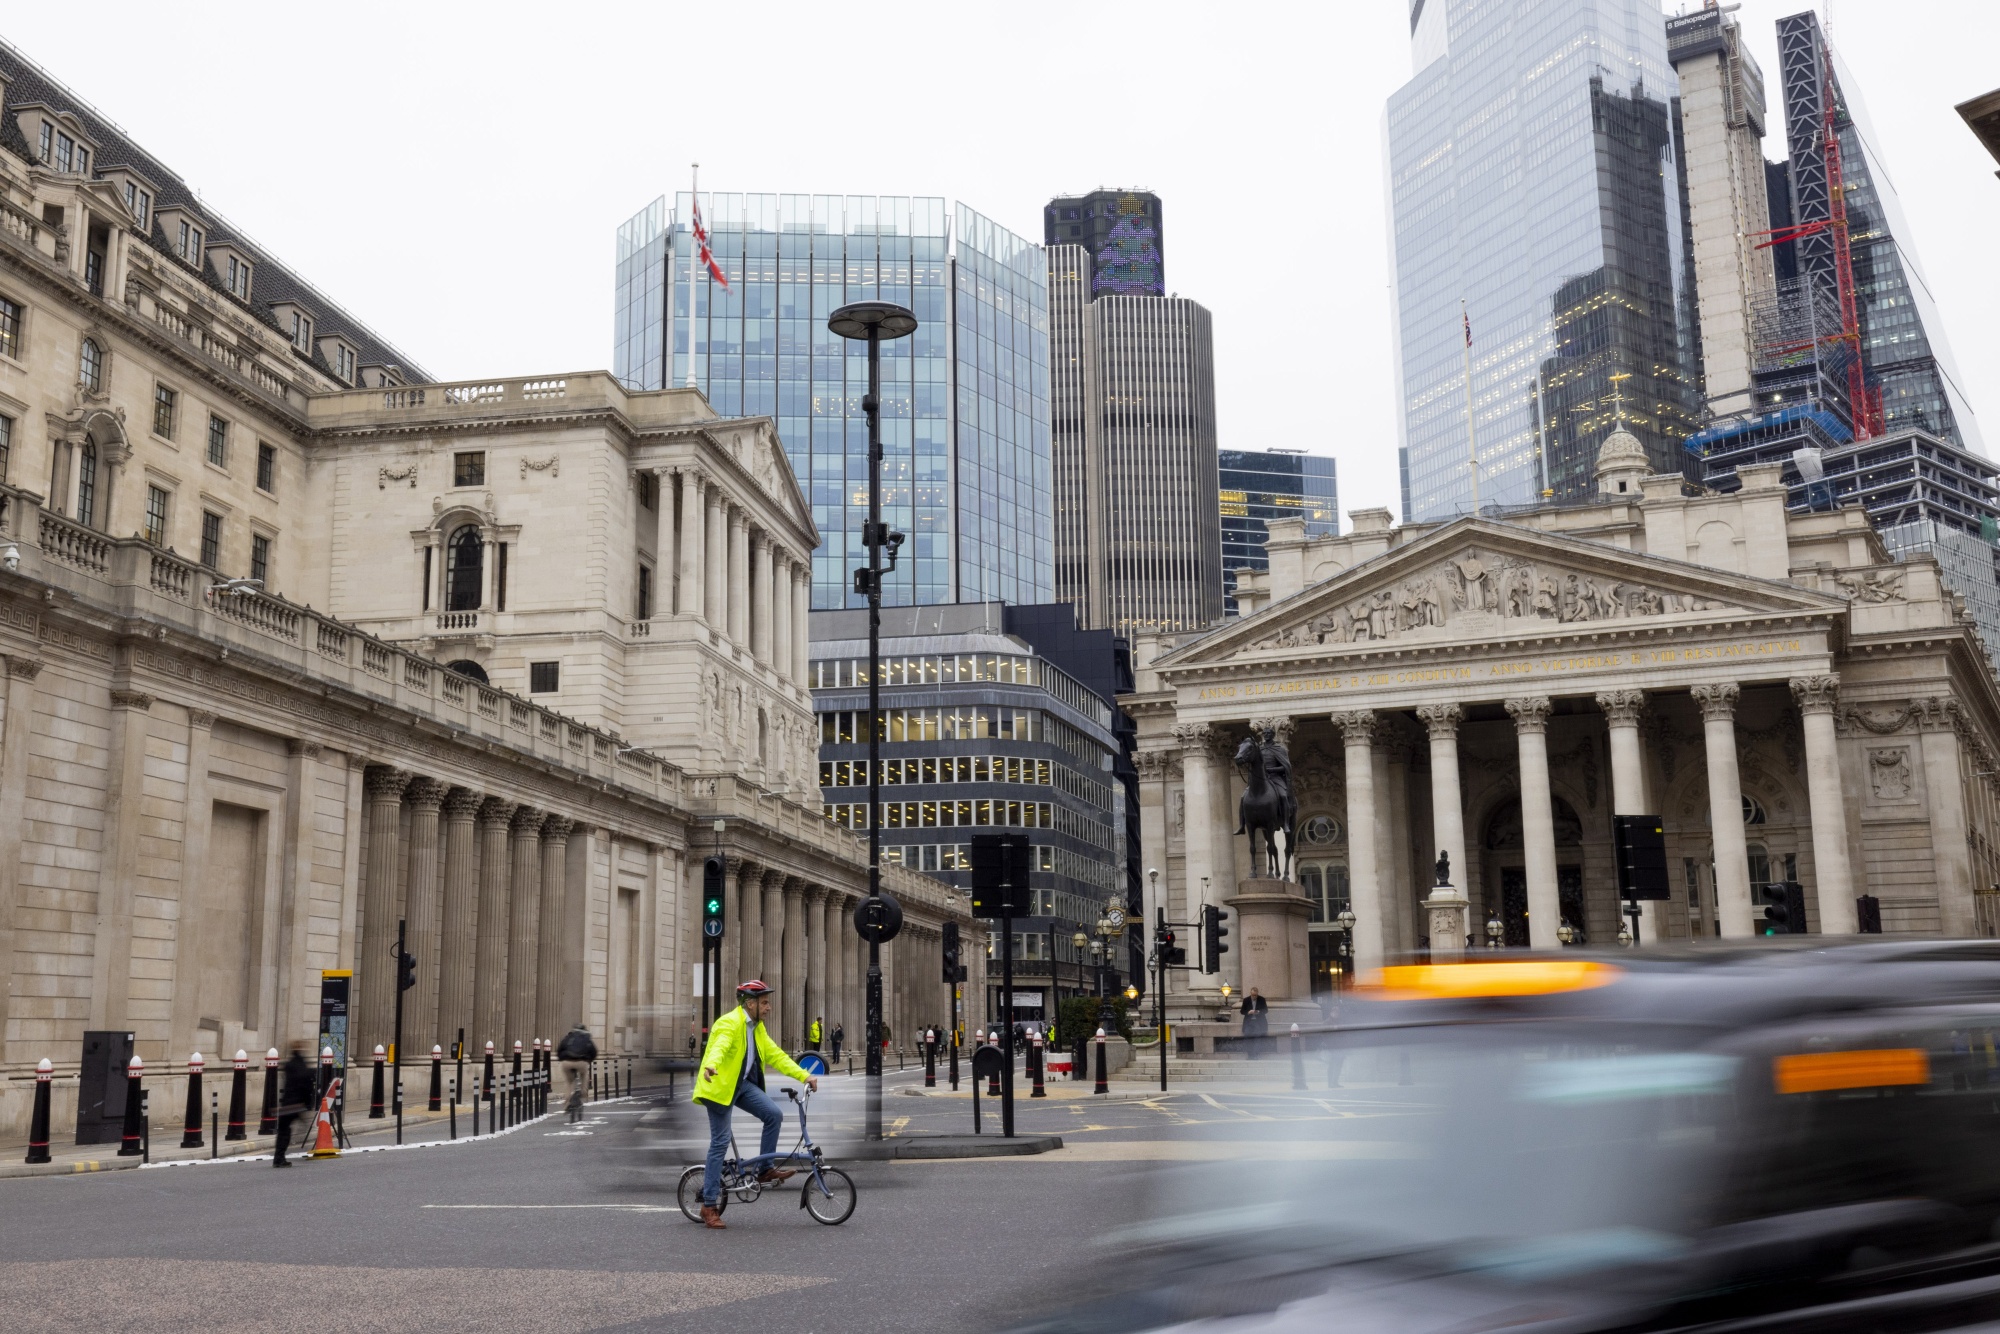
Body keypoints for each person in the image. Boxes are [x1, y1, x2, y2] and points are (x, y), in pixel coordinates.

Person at [693, 980, 818, 1229]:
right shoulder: (729, 1022)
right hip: (719, 1086)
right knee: (720, 1141)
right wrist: (711, 1064)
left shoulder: (757, 1028)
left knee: (774, 1114)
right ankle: (709, 1205)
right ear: (750, 1004)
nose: (768, 1007)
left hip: (740, 1085)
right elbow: (719, 1046)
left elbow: (777, 1056)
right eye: (764, 1002)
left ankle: (764, 1169)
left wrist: (804, 1075)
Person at [273, 1041, 315, 1167]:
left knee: (283, 1130)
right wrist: (309, 1104)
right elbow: (306, 1087)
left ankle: (279, 1157)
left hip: (286, 1103)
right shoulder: (302, 1067)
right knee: (288, 1130)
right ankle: (280, 1158)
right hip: (296, 1104)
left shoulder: (289, 1065)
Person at [556, 1022, 597, 1123]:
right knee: (584, 1075)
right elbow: (594, 1052)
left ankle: (567, 1103)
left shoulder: (568, 1037)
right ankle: (583, 1095)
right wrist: (589, 1060)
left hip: (567, 1063)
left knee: (569, 1082)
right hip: (581, 1062)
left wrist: (562, 1059)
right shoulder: (586, 1038)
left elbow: (559, 1050)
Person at [1240, 987, 1269, 1058]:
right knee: (1248, 1037)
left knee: (1257, 1038)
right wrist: (1248, 1012)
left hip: (1258, 1022)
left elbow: (1265, 1010)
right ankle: (1250, 1054)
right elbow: (1242, 1011)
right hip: (1249, 1022)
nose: (1254, 997)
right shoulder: (1246, 1000)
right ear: (1250, 993)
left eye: (1255, 995)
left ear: (1257, 994)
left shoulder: (1262, 1000)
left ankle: (1255, 1054)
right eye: (1253, 995)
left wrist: (1258, 1012)